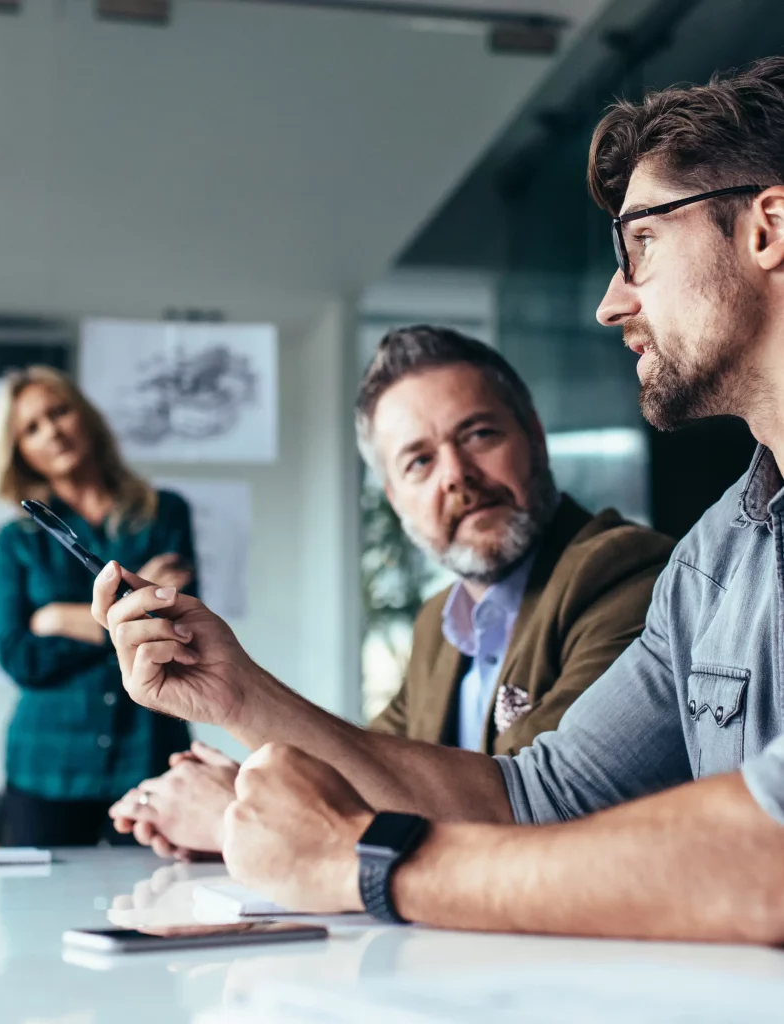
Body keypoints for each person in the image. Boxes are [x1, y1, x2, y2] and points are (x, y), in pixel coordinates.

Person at [92, 55, 784, 943]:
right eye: (414, 462)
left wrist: (364, 861)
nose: (612, 302)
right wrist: (236, 694)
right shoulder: (714, 561)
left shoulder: (635, 570)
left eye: (640, 241)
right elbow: (538, 797)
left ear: (768, 227)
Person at [109, 328, 672, 857]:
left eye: (479, 435)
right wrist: (254, 785)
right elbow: (372, 774)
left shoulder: (624, 574)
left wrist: (237, 813)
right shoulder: (439, 624)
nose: (455, 474)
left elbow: (527, 812)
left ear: (534, 436)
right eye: (419, 461)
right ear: (395, 497)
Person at [0, 366, 198, 847]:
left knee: (158, 903)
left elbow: (176, 629)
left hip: (147, 753)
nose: (52, 431)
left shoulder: (165, 514)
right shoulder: (17, 541)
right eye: (31, 428)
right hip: (48, 765)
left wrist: (57, 619)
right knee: (37, 915)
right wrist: (126, 617)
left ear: (85, 417)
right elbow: (19, 656)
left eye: (59, 412)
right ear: (19, 451)